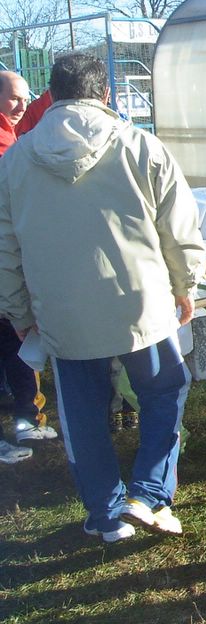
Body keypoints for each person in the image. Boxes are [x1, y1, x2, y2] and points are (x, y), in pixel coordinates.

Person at [0, 52, 204, 542]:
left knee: (83, 413)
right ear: (106, 94)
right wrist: (186, 286)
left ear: (52, 94)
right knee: (164, 391)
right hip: (140, 303)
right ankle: (149, 493)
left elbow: (4, 247)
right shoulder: (142, 146)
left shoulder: (15, 160)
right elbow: (178, 228)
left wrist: (20, 311)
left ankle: (107, 514)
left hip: (61, 310)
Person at [0, 71, 56, 466]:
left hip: (10, 262)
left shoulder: (13, 134)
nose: (21, 105)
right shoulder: (7, 144)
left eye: (25, 98)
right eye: (13, 98)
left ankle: (26, 417)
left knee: (13, 339)